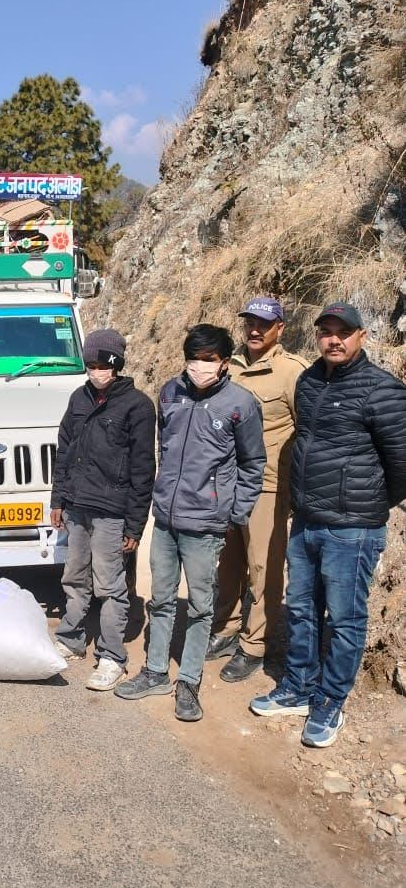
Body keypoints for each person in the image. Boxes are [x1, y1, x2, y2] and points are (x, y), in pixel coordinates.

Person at [250, 303, 406, 746]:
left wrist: (370, 502)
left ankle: (330, 701)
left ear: (362, 336)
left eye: (344, 332)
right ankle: (298, 687)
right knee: (300, 609)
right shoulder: (310, 381)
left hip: (352, 528)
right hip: (307, 520)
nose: (334, 340)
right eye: (326, 332)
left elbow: (401, 465)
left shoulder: (383, 391)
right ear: (316, 336)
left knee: (344, 619)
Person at [116, 324, 265, 722]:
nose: (200, 366)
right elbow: (164, 446)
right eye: (194, 358)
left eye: (209, 359)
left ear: (224, 363)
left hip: (206, 523)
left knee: (200, 607)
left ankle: (190, 682)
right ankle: (155, 672)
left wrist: (236, 511)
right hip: (165, 518)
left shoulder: (240, 404)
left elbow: (253, 464)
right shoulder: (169, 393)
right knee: (161, 600)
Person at [206, 298, 309, 681]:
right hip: (226, 483)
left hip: (267, 486)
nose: (254, 330)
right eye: (249, 322)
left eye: (263, 324)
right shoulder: (227, 367)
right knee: (228, 561)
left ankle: (256, 643)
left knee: (263, 566)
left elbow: (308, 432)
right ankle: (227, 628)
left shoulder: (293, 372)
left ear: (280, 328)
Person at [50, 328, 156, 691]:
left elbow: (144, 469)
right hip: (77, 507)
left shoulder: (138, 406)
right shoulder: (78, 399)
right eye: (92, 364)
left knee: (110, 587)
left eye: (103, 364)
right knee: (75, 578)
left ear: (117, 365)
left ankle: (112, 657)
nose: (97, 370)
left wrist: (135, 525)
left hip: (113, 511)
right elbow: (64, 451)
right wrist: (58, 500)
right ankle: (70, 640)